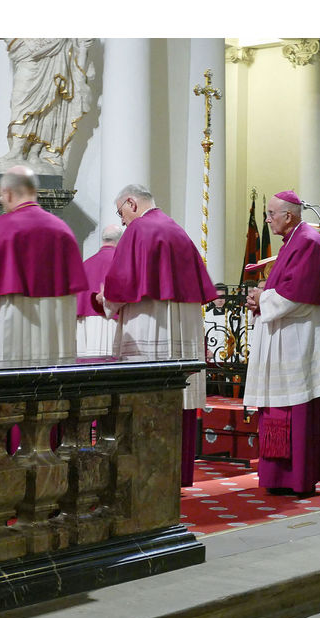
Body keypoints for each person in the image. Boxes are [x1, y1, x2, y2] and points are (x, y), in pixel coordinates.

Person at [99, 184, 217, 487]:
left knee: (145, 401)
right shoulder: (178, 230)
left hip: (151, 325)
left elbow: (121, 283)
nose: (122, 220)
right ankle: (178, 473)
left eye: (120, 212)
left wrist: (104, 300)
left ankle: (147, 476)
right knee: (178, 399)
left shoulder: (138, 230)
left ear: (131, 203)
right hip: (184, 326)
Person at [243, 190, 320, 496]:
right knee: (279, 409)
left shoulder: (308, 243)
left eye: (271, 214)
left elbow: (296, 295)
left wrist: (263, 298)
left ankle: (296, 478)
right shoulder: (294, 242)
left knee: (295, 410)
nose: (268, 219)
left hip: (298, 342)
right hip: (286, 338)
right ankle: (279, 477)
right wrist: (262, 298)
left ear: (289, 215)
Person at [0, 165, 87, 362]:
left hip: (7, 327)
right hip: (53, 332)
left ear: (7, 194)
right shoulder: (62, 230)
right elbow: (72, 290)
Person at [0, 39, 94, 176]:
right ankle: (17, 151)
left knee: (50, 106)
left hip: (56, 50)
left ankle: (35, 153)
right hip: (28, 50)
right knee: (20, 103)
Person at [76, 224, 122, 357]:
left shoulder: (85, 264)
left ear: (103, 240)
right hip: (112, 322)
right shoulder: (121, 262)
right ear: (120, 240)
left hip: (86, 327)